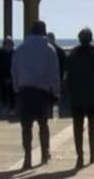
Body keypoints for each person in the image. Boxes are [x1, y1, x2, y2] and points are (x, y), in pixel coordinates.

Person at [12, 21, 61, 169]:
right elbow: (54, 72)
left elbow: (14, 70)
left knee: (26, 126)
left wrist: (16, 88)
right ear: (44, 32)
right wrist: (56, 91)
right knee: (43, 124)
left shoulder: (20, 49)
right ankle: (45, 153)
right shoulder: (49, 49)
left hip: (25, 91)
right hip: (42, 91)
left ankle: (27, 157)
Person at [66, 27, 94, 167]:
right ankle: (92, 152)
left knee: (77, 128)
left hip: (77, 98)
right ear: (90, 39)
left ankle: (80, 156)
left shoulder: (72, 56)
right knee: (92, 126)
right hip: (92, 97)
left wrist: (68, 93)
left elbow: (68, 78)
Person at [0, 36, 15, 114]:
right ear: (4, 45)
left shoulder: (15, 53)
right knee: (3, 93)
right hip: (2, 76)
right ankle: (4, 106)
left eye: (10, 43)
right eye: (6, 43)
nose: (8, 45)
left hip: (12, 77)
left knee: (12, 93)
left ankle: (12, 108)